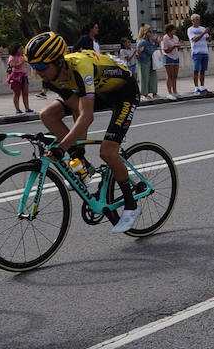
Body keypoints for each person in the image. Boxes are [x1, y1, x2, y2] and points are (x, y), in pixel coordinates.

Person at [24, 31, 141, 233]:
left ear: (58, 61)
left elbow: (87, 117)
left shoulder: (81, 68)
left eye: (42, 66)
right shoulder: (51, 77)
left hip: (124, 93)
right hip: (99, 93)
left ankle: (131, 205)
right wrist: (76, 154)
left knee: (107, 152)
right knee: (47, 115)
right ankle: (84, 166)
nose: (38, 72)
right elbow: (77, 109)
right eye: (34, 67)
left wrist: (62, 148)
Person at [187, 14, 211, 95]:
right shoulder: (190, 30)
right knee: (196, 70)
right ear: (192, 21)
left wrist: (210, 34)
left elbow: (208, 39)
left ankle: (202, 86)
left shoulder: (202, 28)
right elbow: (195, 39)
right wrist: (204, 33)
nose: (198, 21)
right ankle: (196, 88)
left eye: (199, 19)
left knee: (203, 70)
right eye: (196, 19)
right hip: (196, 52)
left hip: (204, 51)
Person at [6, 41, 31, 114]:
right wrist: (22, 61)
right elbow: (15, 66)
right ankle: (17, 109)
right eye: (21, 49)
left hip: (24, 75)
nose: (22, 50)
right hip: (16, 76)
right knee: (17, 93)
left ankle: (27, 108)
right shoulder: (12, 57)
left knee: (25, 93)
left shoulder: (22, 56)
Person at [160, 23, 182, 100]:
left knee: (175, 75)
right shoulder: (164, 38)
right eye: (173, 30)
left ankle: (175, 91)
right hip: (168, 57)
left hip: (175, 57)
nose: (175, 31)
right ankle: (169, 92)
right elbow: (165, 50)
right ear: (169, 31)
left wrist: (178, 46)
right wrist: (173, 46)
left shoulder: (175, 37)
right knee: (169, 75)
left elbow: (178, 47)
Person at [136, 25, 158, 99]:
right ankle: (144, 94)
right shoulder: (142, 42)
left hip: (150, 61)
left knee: (153, 77)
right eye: (149, 31)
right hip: (144, 61)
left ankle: (153, 92)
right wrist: (155, 45)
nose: (150, 33)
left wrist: (155, 45)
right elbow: (150, 51)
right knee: (144, 78)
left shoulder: (149, 41)